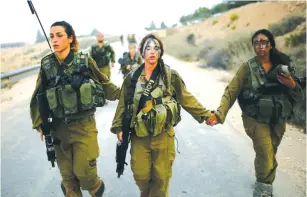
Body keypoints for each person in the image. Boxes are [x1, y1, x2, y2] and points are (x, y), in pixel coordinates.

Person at [110, 34, 216, 197]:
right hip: (139, 135)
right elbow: (123, 103)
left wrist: (205, 115)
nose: (152, 51)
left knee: (161, 178)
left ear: (160, 53)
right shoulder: (132, 78)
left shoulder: (169, 75)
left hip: (163, 135)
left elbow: (185, 97)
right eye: (148, 48)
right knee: (141, 175)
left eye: (156, 48)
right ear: (142, 53)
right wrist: (118, 126)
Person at [29, 21, 120, 197]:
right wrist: (39, 123)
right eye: (52, 36)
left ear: (70, 38)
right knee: (68, 180)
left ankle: (95, 186)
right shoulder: (47, 65)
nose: (54, 40)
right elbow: (37, 95)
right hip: (58, 129)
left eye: (59, 35)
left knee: (86, 177)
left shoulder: (84, 61)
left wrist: (126, 95)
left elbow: (105, 84)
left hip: (83, 127)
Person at [211, 29, 304, 197]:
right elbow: (231, 90)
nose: (260, 46)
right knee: (265, 151)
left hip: (278, 117)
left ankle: (264, 177)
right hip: (254, 117)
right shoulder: (248, 67)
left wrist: (291, 85)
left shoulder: (283, 64)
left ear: (270, 44)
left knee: (270, 151)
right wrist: (220, 114)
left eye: (264, 42)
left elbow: (298, 94)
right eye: (256, 42)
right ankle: (263, 188)